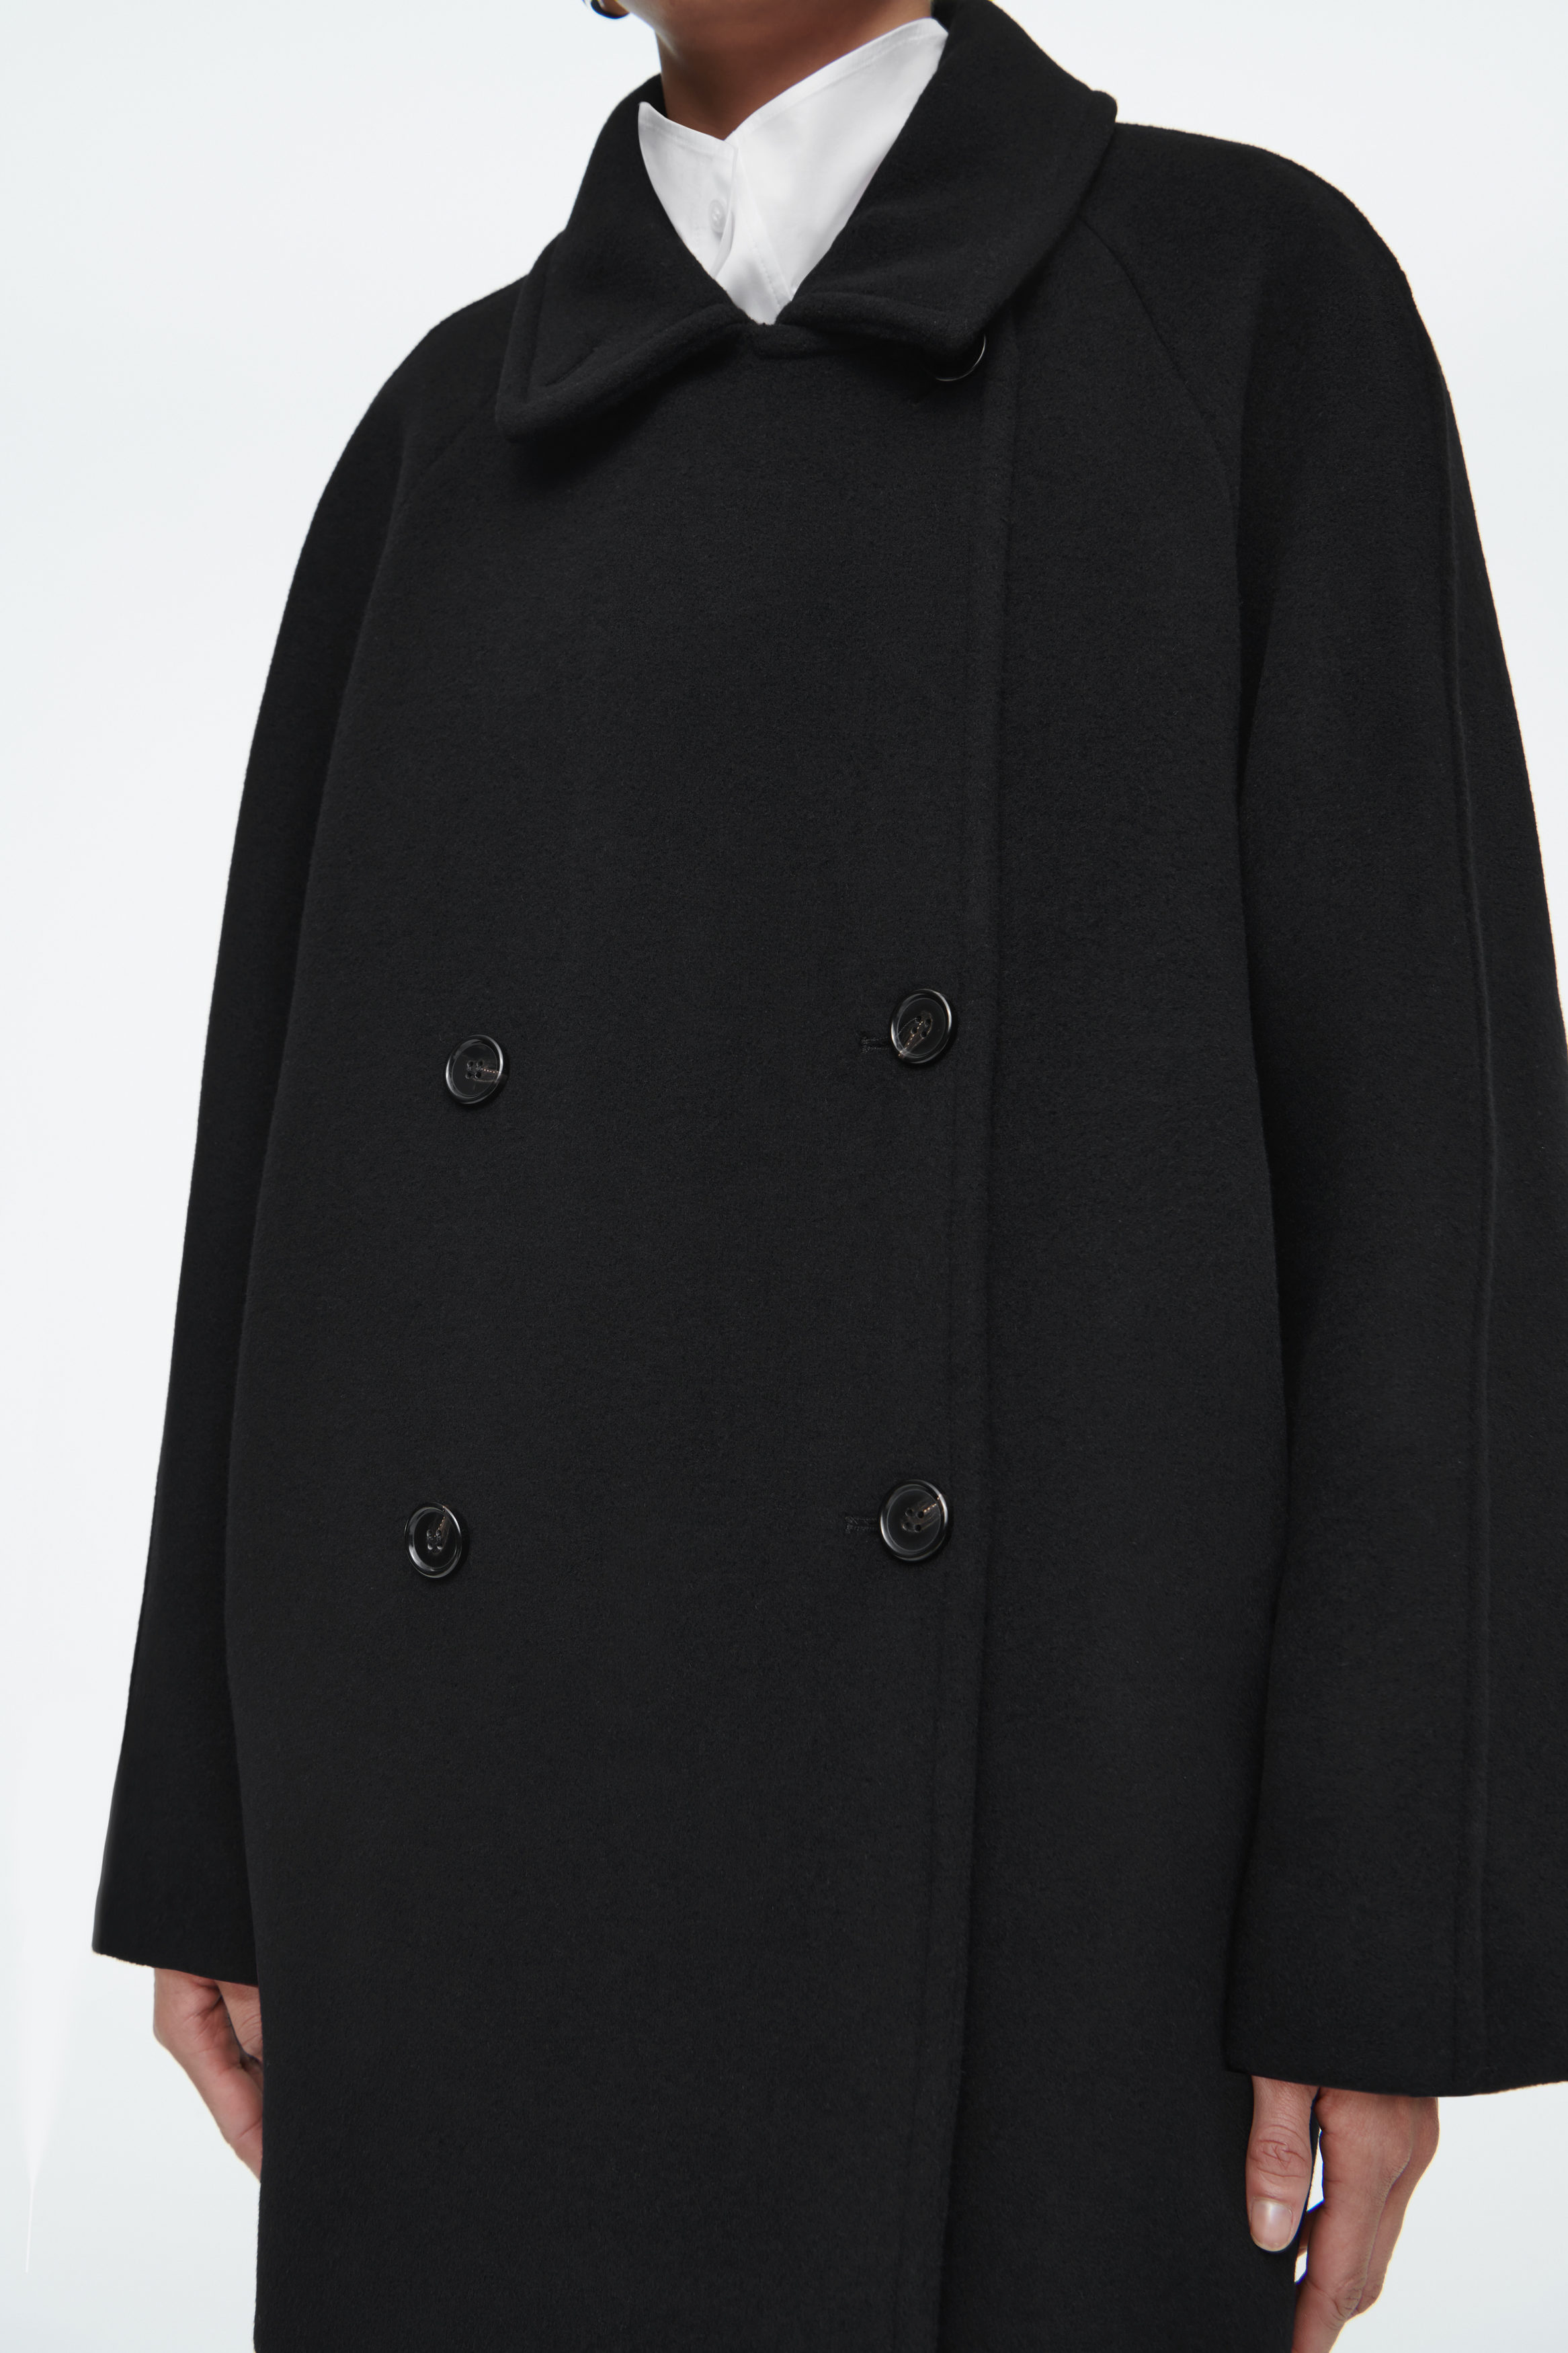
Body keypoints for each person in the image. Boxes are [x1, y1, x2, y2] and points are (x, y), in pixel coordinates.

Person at [94, 2, 1568, 2347]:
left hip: (1076, 1892)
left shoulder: (1247, 305)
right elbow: (281, 1184)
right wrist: (211, 1831)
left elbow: (1436, 1174)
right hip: (461, 1872)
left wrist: (1381, 1932)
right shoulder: (441, 435)